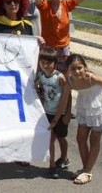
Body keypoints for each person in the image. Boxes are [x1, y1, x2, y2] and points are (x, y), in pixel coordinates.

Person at [65, 54, 102, 185]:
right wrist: (66, 113)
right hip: (85, 109)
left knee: (94, 140)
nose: (77, 71)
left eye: (80, 67)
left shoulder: (91, 77)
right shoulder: (70, 81)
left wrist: (98, 92)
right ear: (68, 70)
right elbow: (66, 97)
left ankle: (87, 171)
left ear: (85, 68)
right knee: (80, 138)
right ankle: (86, 169)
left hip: (100, 109)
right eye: (73, 68)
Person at [33, 0, 90, 71]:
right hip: (48, 46)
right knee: (46, 70)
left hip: (63, 47)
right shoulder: (45, 5)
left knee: (63, 72)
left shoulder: (67, 4)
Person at [34, 47, 71, 179]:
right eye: (42, 62)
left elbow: (68, 95)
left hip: (60, 114)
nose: (45, 65)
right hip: (48, 112)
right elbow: (37, 87)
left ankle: (64, 158)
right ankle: (52, 165)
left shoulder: (59, 77)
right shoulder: (42, 76)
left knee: (61, 138)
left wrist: (67, 113)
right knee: (50, 139)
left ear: (55, 63)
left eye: (48, 63)